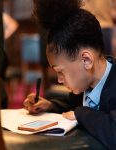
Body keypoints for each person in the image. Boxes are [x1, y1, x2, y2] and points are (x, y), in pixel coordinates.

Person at [23, 0, 116, 149]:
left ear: (86, 60)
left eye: (60, 71)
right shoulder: (84, 83)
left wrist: (81, 114)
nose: (59, 80)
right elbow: (72, 105)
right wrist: (50, 105)